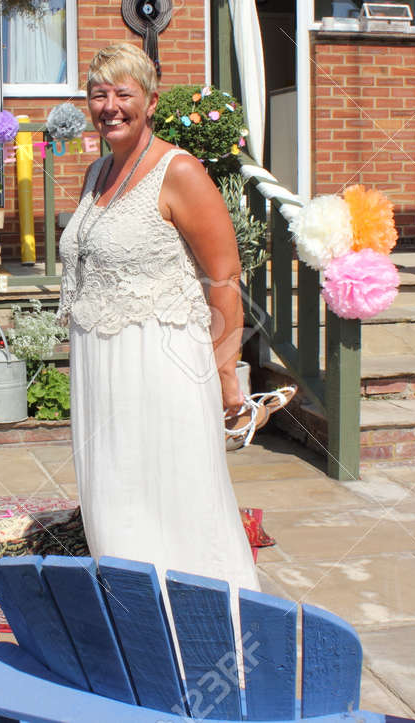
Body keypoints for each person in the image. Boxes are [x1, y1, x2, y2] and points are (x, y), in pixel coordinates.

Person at [57, 42, 260, 626]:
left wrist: (225, 374)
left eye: (123, 93)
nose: (110, 105)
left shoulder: (181, 171)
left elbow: (223, 279)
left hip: (161, 364)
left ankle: (203, 625)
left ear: (149, 101)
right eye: (99, 93)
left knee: (171, 499)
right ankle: (133, 619)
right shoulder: (97, 172)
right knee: (115, 495)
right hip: (101, 364)